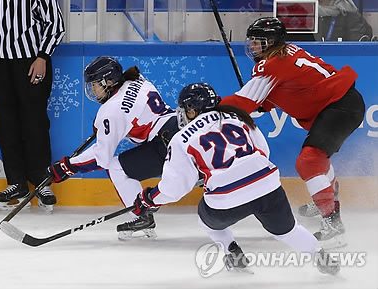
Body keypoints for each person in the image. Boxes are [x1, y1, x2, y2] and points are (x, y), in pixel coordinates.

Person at [131, 82, 340, 275]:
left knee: (208, 223)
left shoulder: (181, 139)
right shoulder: (239, 118)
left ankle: (233, 254)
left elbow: (174, 188)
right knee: (288, 231)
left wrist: (149, 199)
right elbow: (262, 152)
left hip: (226, 200)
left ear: (193, 110)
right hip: (267, 186)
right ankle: (320, 256)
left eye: (185, 110)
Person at [219, 17, 365, 248]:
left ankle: (333, 227)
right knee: (316, 159)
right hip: (342, 103)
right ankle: (326, 201)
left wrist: (211, 106)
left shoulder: (271, 64)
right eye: (253, 41)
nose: (253, 46)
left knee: (309, 162)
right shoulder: (283, 55)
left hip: (339, 106)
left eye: (259, 41)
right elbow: (272, 97)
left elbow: (243, 102)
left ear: (273, 41)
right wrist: (256, 102)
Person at [43, 56, 179, 240]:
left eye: (94, 85)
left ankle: (142, 215)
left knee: (116, 167)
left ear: (108, 82)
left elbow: (102, 158)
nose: (92, 90)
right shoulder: (136, 79)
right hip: (177, 129)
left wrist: (68, 166)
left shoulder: (111, 110)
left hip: (165, 144)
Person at [0, 0, 65, 211]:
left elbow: (55, 25)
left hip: (30, 61)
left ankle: (42, 182)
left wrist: (42, 57)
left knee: (35, 123)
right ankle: (17, 182)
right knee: (5, 124)